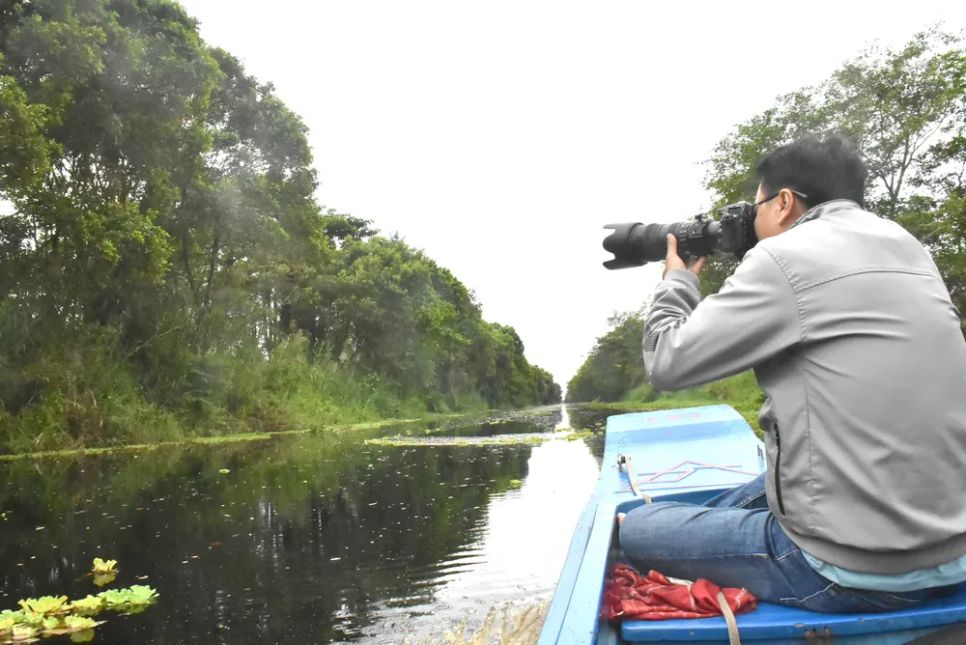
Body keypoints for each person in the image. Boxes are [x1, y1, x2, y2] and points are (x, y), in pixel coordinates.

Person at [618, 134, 966, 613]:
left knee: (637, 527)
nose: (753, 220)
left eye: (757, 204)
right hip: (953, 551)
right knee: (749, 494)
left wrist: (678, 280)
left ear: (783, 202)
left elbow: (668, 362)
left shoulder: (786, 256)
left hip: (849, 569)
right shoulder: (909, 247)